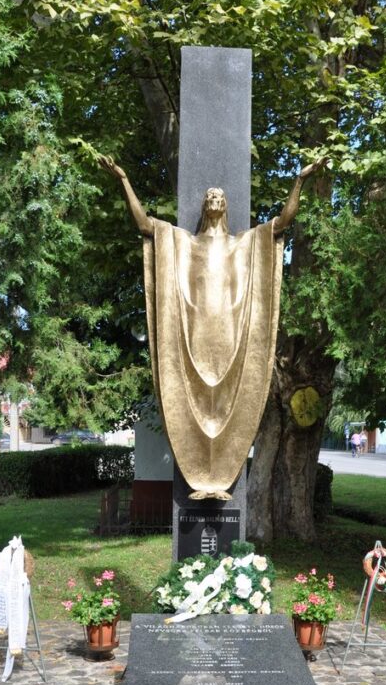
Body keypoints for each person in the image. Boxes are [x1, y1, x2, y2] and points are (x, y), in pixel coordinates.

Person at [102, 156, 324, 499]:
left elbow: (282, 223)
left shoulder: (242, 244)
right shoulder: (185, 244)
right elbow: (146, 225)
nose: (215, 199)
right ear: (205, 207)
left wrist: (300, 180)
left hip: (231, 333)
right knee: (196, 400)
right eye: (210, 197)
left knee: (228, 401)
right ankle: (201, 475)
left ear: (226, 205)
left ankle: (220, 475)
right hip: (196, 332)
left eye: (220, 197)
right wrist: (123, 179)